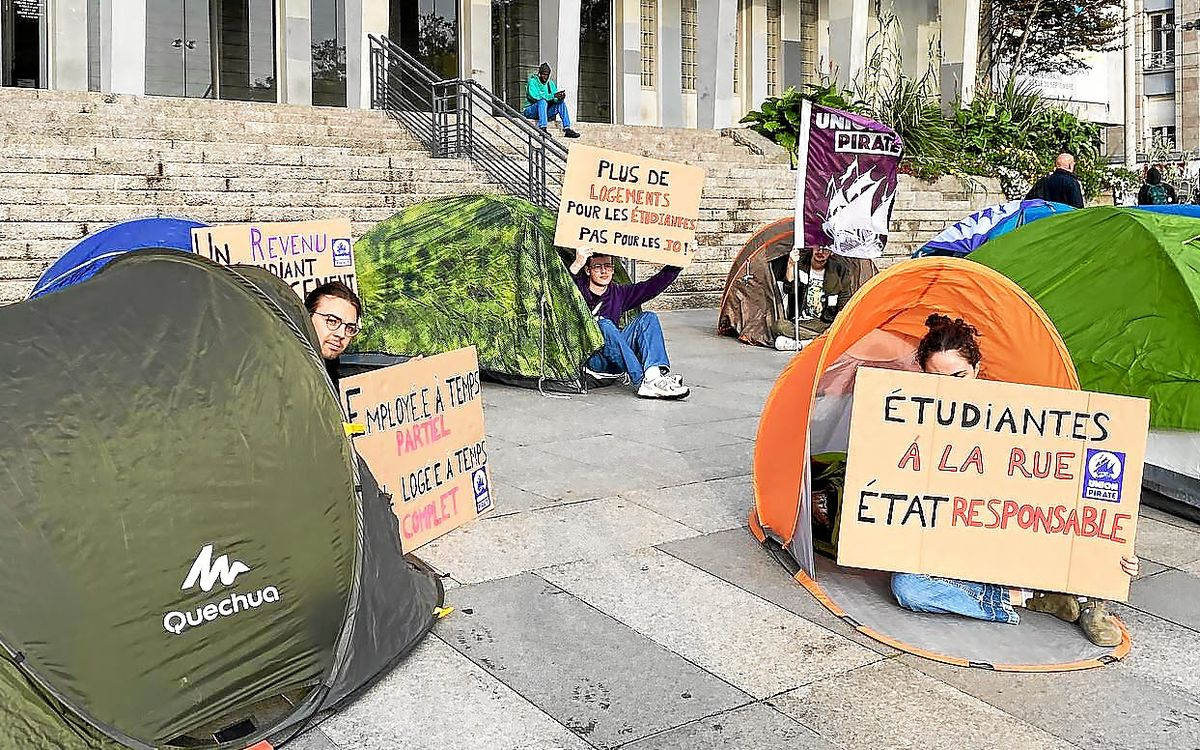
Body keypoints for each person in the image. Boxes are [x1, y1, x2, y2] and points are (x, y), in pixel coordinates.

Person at [889, 314, 1139, 647]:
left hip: (1016, 541)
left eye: (958, 376)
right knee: (909, 586)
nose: (949, 388)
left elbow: (1068, 490)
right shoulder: (909, 418)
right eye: (937, 378)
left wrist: (1112, 547)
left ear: (976, 369)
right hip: (956, 547)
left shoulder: (1021, 417)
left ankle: (1086, 596)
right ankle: (1029, 598)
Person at [569, 249, 689, 399]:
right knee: (603, 324)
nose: (604, 271)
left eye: (608, 266)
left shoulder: (618, 293)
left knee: (648, 318)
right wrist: (577, 263)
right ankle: (642, 381)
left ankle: (653, 377)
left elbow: (651, 287)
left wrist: (677, 264)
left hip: (615, 356)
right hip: (592, 360)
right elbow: (560, 291)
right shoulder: (577, 290)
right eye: (598, 267)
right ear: (588, 270)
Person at [770, 245, 852, 351]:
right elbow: (788, 288)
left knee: (841, 331)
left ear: (832, 252)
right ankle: (822, 341)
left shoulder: (840, 270)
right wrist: (790, 264)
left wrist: (836, 326)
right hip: (801, 322)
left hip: (824, 322)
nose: (820, 252)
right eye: (818, 247)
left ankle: (804, 344)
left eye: (826, 249)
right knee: (779, 326)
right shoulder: (801, 264)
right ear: (812, 247)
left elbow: (844, 303)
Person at [304, 281, 361, 388]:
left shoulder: (333, 373)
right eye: (332, 321)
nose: (341, 334)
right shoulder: (282, 369)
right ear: (307, 316)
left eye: (350, 328)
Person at [524, 63, 580, 139]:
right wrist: (553, 96)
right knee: (542, 101)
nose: (545, 77)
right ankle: (543, 127)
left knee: (561, 104)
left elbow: (554, 98)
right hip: (531, 111)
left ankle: (567, 128)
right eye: (544, 74)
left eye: (547, 75)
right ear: (539, 74)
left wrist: (560, 98)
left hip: (544, 112)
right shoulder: (533, 81)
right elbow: (535, 97)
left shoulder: (550, 84)